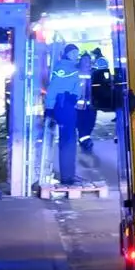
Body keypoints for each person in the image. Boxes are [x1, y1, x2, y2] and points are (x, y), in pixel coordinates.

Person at [46, 43, 87, 184]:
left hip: (68, 105)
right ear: (67, 54)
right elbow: (53, 88)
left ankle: (70, 174)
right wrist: (50, 107)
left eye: (77, 53)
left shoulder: (72, 67)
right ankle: (67, 177)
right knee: (67, 140)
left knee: (70, 140)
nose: (76, 55)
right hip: (63, 105)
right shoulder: (62, 68)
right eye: (73, 53)